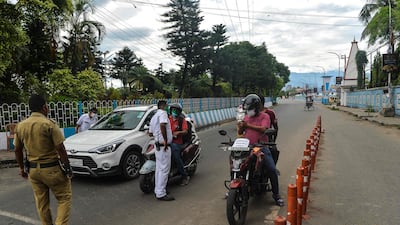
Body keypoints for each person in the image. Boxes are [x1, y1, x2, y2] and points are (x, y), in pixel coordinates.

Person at [14, 94, 73, 225]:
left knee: (42, 203)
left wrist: (22, 168)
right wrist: (68, 168)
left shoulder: (21, 126)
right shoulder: (49, 124)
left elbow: (17, 150)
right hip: (52, 169)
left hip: (33, 171)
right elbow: (60, 148)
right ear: (44, 107)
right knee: (64, 198)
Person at [237, 94, 284, 206]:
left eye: (251, 109)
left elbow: (263, 129)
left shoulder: (265, 116)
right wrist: (241, 126)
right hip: (247, 147)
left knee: (272, 169)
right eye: (248, 109)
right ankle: (233, 189)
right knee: (236, 166)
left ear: (257, 108)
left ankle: (276, 195)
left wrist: (247, 125)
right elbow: (240, 133)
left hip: (261, 147)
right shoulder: (246, 117)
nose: (249, 111)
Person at [149, 100, 175, 201]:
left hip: (157, 146)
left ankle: (158, 189)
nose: (168, 108)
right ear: (163, 106)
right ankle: (161, 193)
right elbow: (162, 125)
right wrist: (164, 140)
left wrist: (157, 135)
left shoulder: (154, 116)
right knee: (164, 170)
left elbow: (150, 133)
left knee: (159, 169)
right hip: (163, 146)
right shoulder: (163, 113)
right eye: (167, 106)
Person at [168, 103, 190, 186]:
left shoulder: (181, 120)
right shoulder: (167, 119)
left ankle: (184, 176)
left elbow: (185, 131)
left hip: (177, 143)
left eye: (176, 110)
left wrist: (177, 133)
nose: (174, 111)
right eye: (173, 110)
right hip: (167, 142)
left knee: (176, 155)